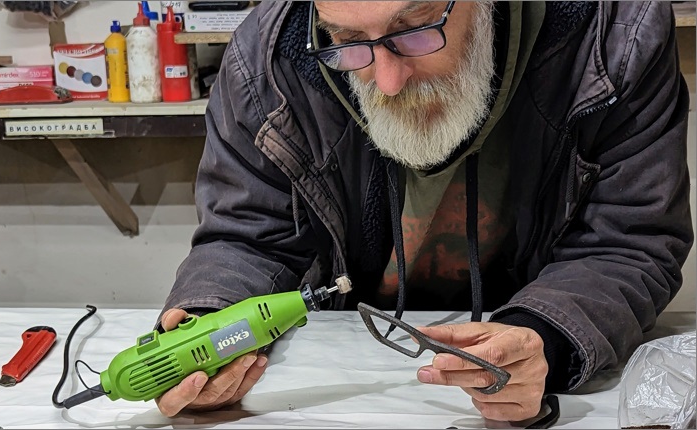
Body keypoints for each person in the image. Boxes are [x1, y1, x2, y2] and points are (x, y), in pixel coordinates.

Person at [156, 1, 693, 422]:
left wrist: (544, 335)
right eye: (347, 43)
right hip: (347, 375)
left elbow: (629, 239)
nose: (387, 81)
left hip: (545, 373)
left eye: (413, 28)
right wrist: (208, 325)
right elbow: (247, 238)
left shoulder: (614, 33)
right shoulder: (268, 57)